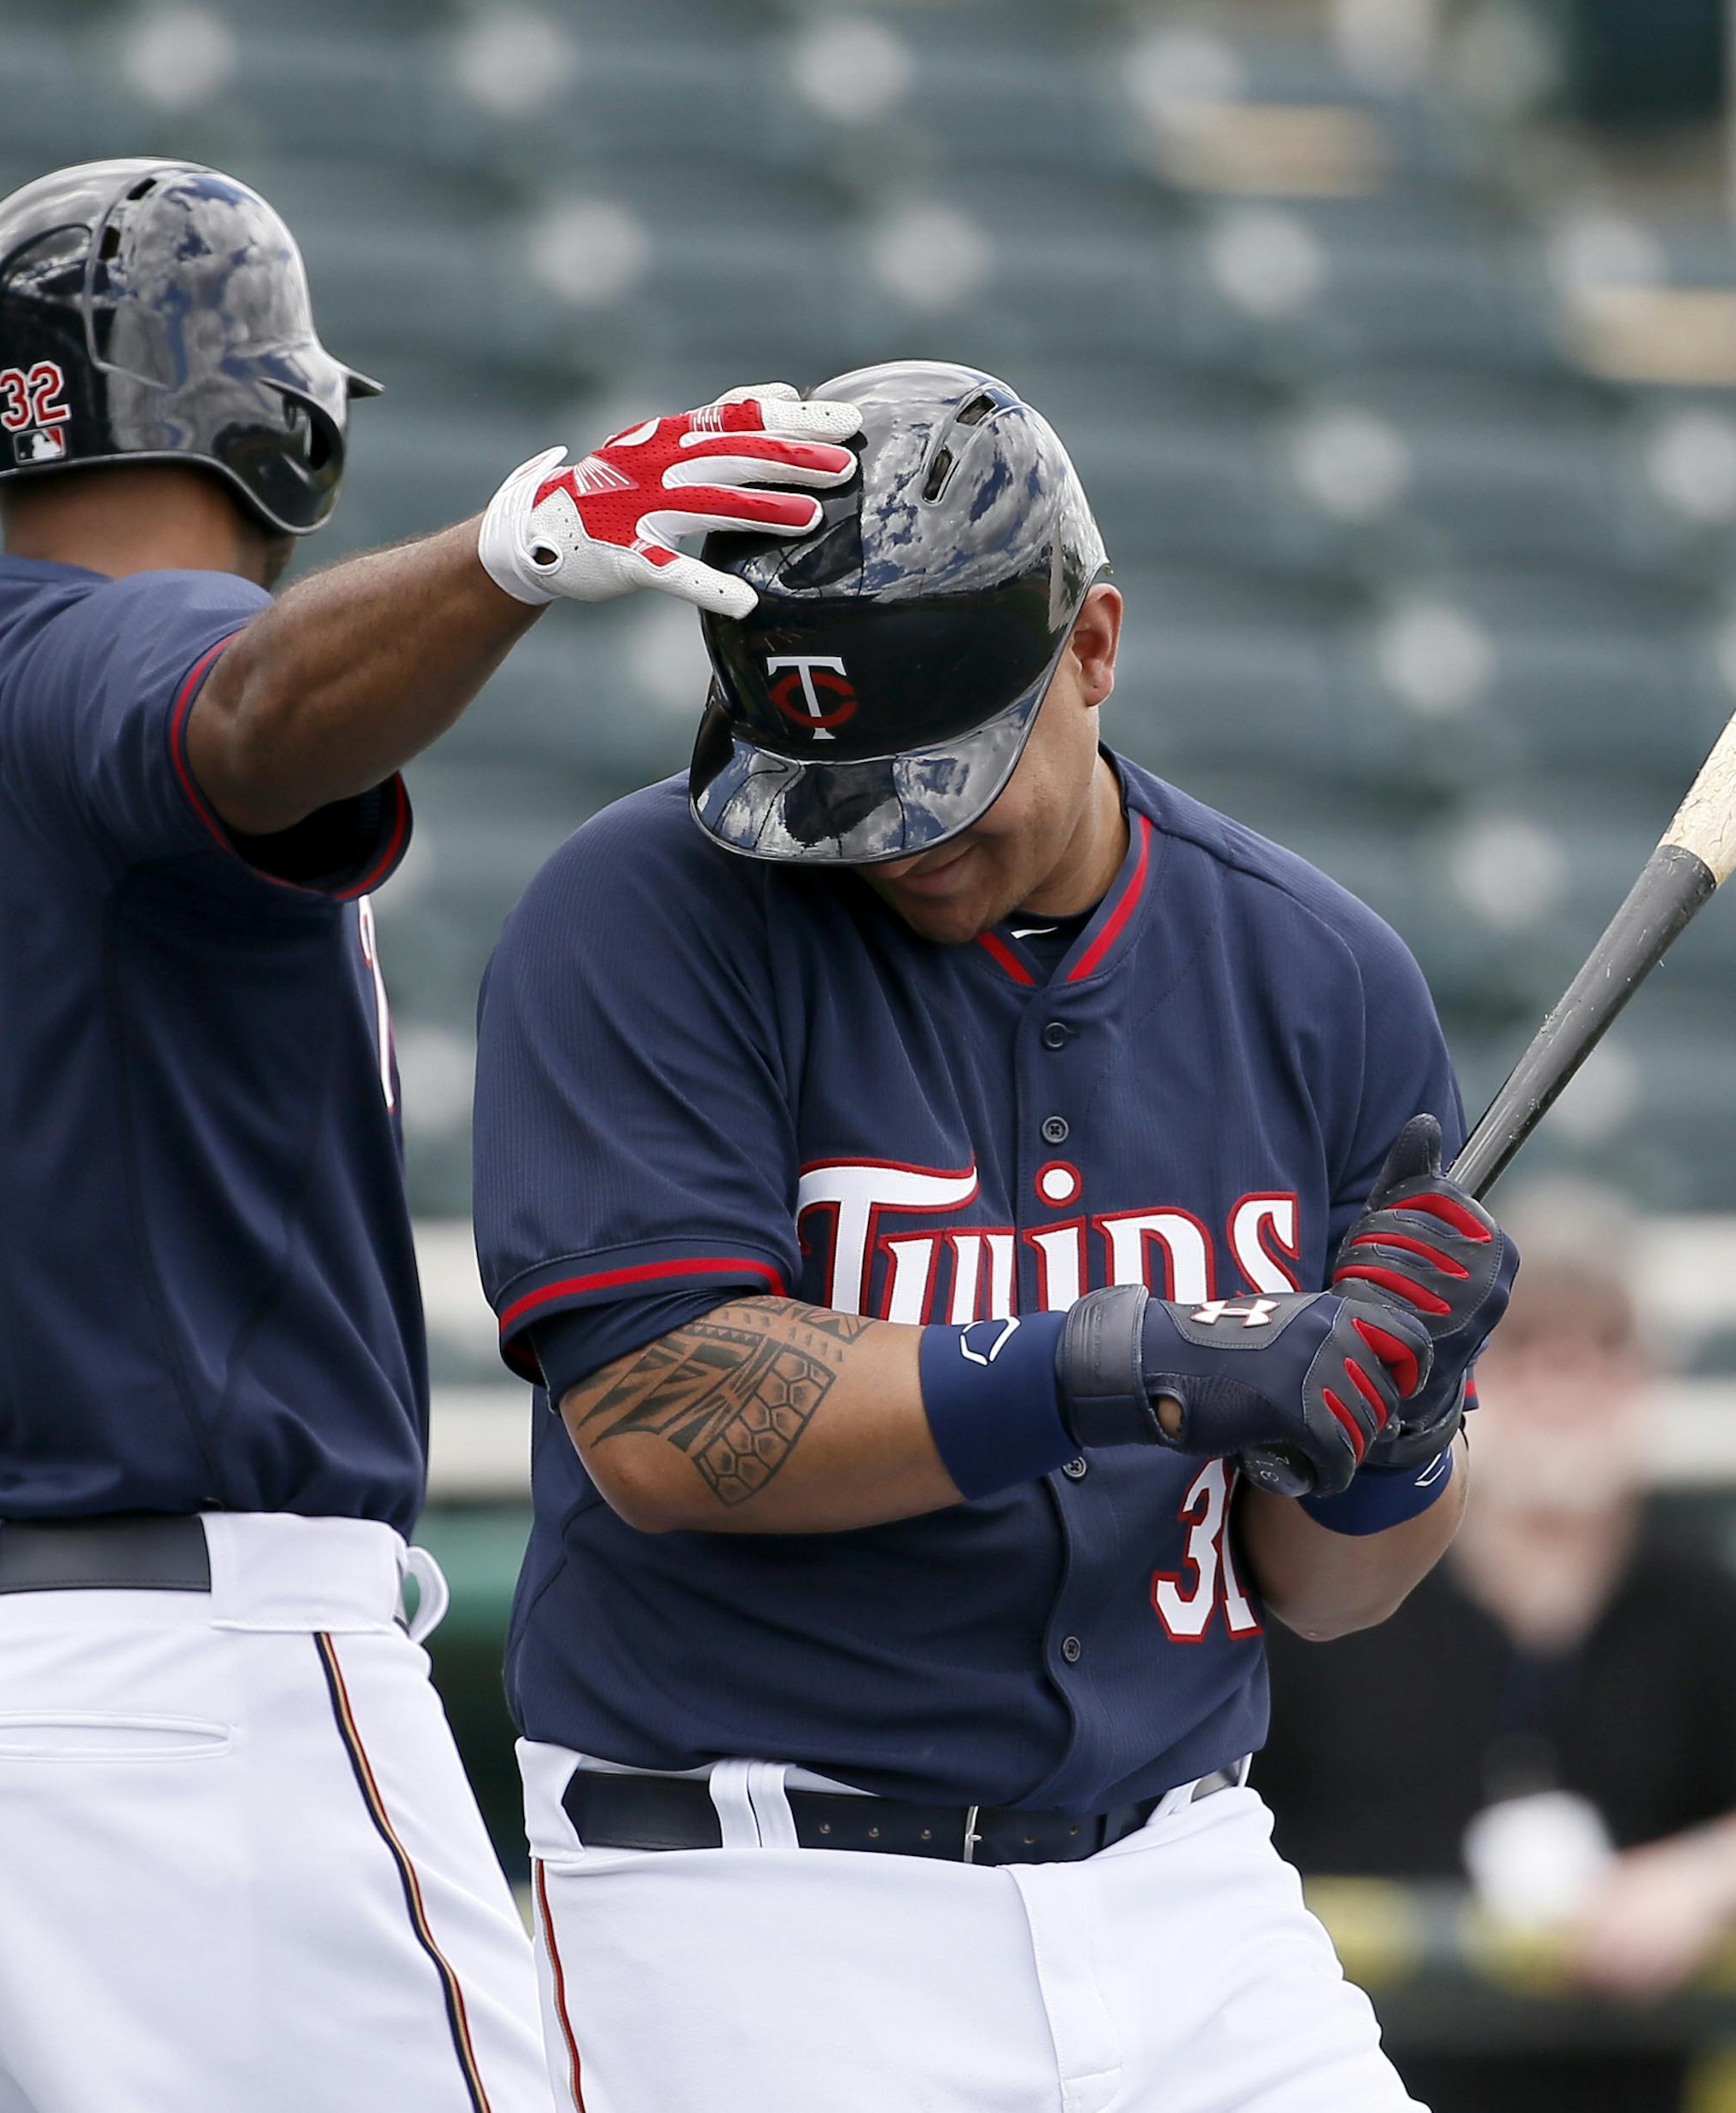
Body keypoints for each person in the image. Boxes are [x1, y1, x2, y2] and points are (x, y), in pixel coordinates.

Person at [0, 155, 860, 2113]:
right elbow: (237, 717)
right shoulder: (109, 644)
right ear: (268, 410)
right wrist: (506, 553)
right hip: (180, 1695)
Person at [472, 359, 1518, 2113]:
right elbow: (659, 1417)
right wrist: (1143, 1358)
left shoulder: (1320, 977)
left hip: (1190, 1877)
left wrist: (1392, 1432)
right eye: (830, 777)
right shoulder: (644, 911)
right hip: (757, 1894)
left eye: (934, 775)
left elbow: (1328, 1595)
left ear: (1092, 648)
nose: (886, 842)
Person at [1256, 1179, 1736, 2113]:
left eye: (1602, 1350)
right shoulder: (1338, 1591)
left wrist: (1708, 1873)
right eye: (1527, 1350)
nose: (1565, 1388)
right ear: (1468, 1380)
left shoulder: (1705, 1609)